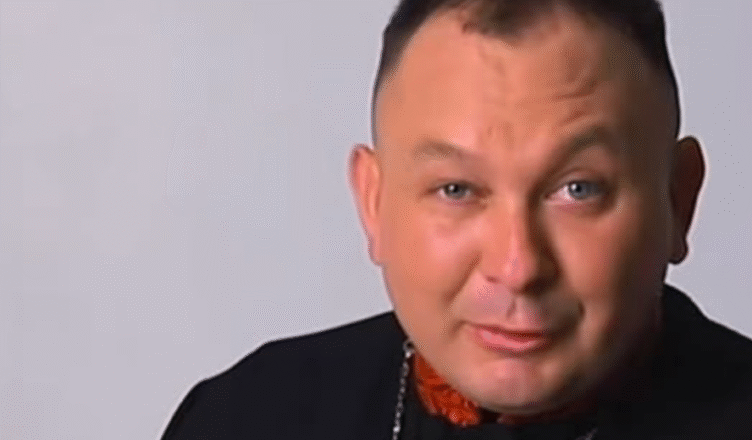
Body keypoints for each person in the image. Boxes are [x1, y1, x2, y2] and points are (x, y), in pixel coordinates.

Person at [161, 0, 752, 439]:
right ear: (373, 202)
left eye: (578, 190)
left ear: (678, 200)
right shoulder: (249, 417)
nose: (518, 266)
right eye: (457, 189)